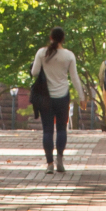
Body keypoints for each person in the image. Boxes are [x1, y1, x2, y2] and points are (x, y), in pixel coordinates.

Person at [30, 28, 79, 173]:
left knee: (47, 130)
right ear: (63, 38)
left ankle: (49, 164)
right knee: (62, 129)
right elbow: (74, 78)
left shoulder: (41, 52)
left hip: (46, 97)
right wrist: (82, 96)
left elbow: (34, 72)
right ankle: (60, 160)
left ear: (50, 37)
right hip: (63, 96)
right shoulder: (69, 55)